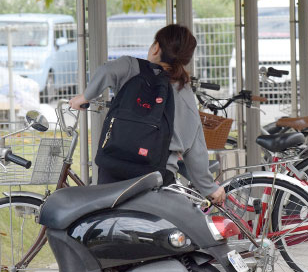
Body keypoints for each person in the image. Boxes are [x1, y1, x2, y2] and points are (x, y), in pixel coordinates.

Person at [69, 24, 226, 204]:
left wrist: (85, 96)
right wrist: (209, 187)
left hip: (112, 169)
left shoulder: (131, 67)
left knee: (107, 223)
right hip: (155, 177)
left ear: (156, 47)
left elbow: (106, 71)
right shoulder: (184, 93)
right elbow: (194, 148)